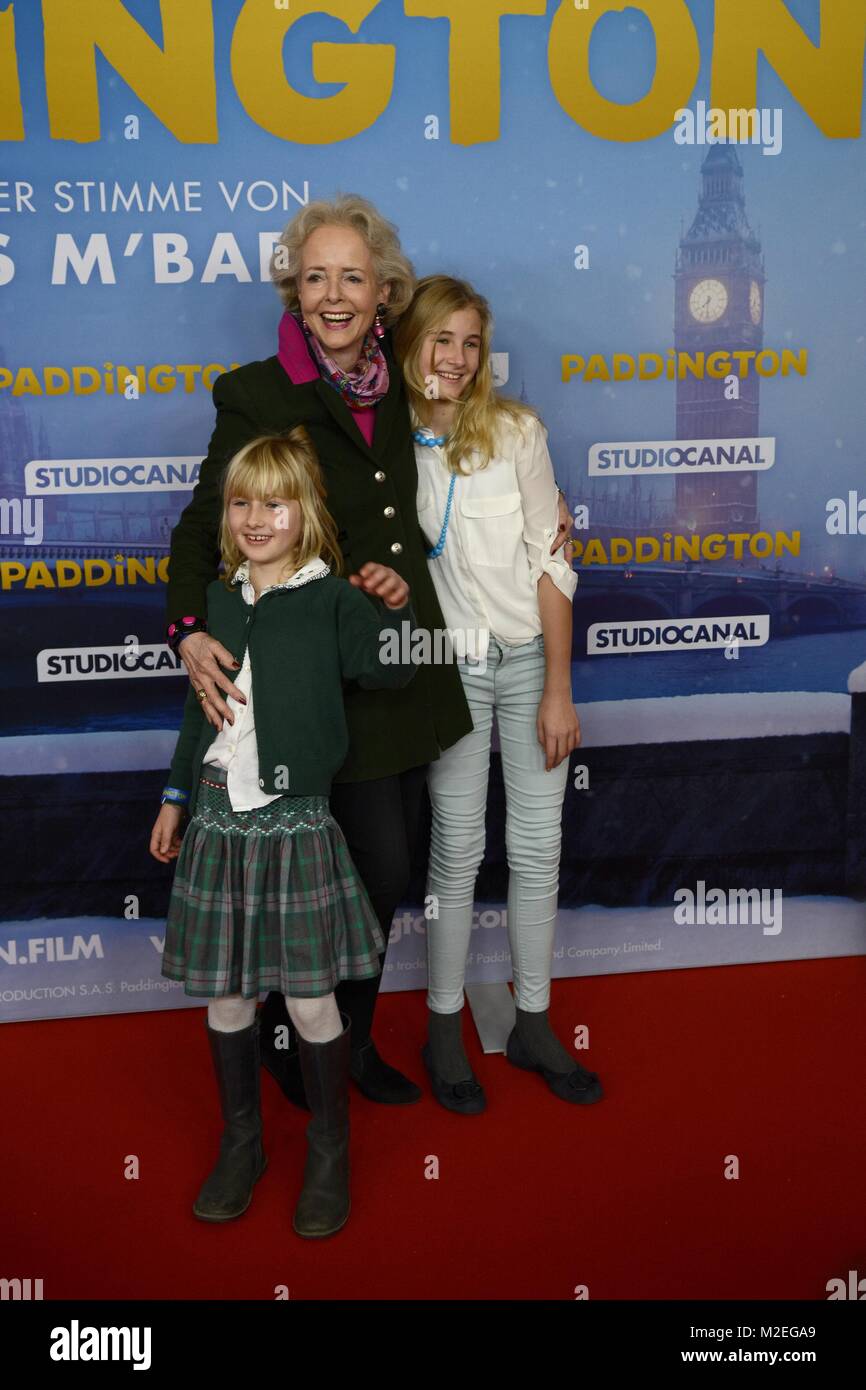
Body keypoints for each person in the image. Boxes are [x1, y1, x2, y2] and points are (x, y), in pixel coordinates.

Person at [165, 194, 573, 1109]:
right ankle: (284, 1030)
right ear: (295, 291)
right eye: (317, 277)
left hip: (396, 661)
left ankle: (341, 1043)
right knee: (310, 861)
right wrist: (189, 631)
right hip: (308, 668)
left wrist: (546, 526)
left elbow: (462, 466)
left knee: (387, 872)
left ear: (385, 292)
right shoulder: (257, 391)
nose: (336, 294)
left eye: (354, 276)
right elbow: (206, 523)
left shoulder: (407, 378)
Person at [150, 430, 417, 1236]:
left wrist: (390, 601)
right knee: (229, 996)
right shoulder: (218, 600)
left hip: (295, 824)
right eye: (241, 503)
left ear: (305, 514)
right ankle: (244, 1145)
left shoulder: (332, 598)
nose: (256, 518)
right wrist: (173, 796)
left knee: (307, 1001)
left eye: (274, 502)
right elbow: (203, 715)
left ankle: (329, 1152)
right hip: (218, 821)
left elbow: (393, 672)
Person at [394, 275, 604, 1113]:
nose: (455, 356)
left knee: (537, 845)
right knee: (455, 849)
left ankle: (533, 1023)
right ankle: (444, 1029)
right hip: (447, 666)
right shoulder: (381, 445)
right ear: (408, 342)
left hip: (524, 662)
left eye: (470, 342)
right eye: (440, 338)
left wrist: (559, 688)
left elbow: (552, 559)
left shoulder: (517, 432)